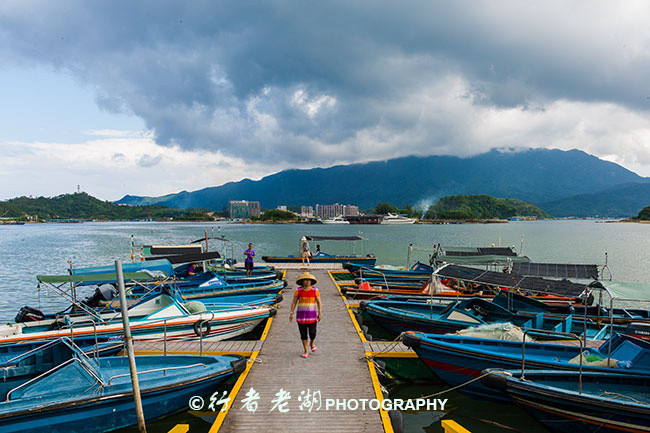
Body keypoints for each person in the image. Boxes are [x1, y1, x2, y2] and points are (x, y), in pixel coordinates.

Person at [289, 272, 322, 358]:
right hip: (301, 316)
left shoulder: (315, 290)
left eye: (309, 280)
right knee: (303, 334)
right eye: (305, 280)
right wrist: (291, 313)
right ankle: (306, 350)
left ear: (311, 281)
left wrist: (320, 313)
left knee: (312, 333)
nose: (307, 282)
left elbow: (319, 302)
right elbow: (294, 302)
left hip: (312, 315)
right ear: (302, 281)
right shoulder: (298, 290)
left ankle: (312, 343)